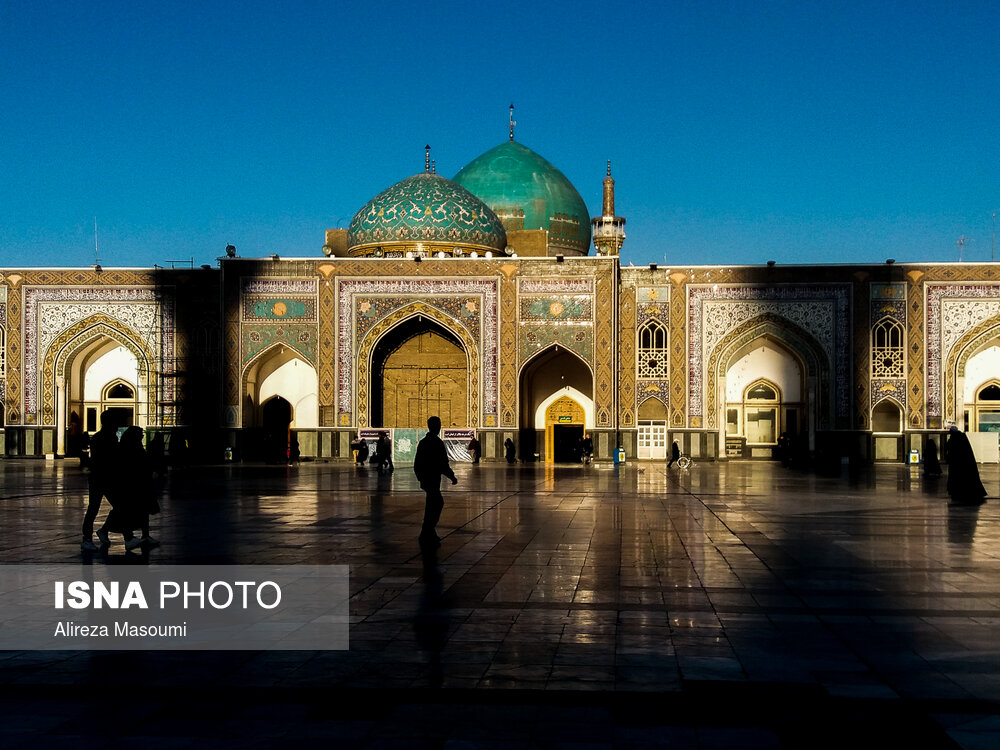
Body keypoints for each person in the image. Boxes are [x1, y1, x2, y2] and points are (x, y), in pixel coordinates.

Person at [102, 426, 159, 549]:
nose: (142, 437)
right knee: (126, 511)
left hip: (140, 484)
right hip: (132, 486)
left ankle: (143, 535)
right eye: (140, 435)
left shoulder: (135, 447)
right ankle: (124, 536)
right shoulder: (128, 450)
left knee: (141, 510)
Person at [414, 416, 457, 547]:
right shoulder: (437, 443)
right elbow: (442, 463)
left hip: (426, 479)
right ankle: (427, 531)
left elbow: (417, 463)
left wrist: (421, 478)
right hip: (432, 479)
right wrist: (452, 476)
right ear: (437, 426)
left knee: (431, 504)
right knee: (436, 503)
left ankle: (428, 532)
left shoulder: (423, 442)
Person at [81, 410, 120, 551]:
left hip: (103, 477)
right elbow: (105, 460)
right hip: (101, 478)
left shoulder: (107, 437)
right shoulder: (103, 438)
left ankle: (102, 531)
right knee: (93, 508)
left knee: (118, 506)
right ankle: (87, 538)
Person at [945, 425, 987, 505]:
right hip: (966, 464)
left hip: (956, 464)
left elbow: (949, 449)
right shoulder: (963, 438)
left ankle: (957, 492)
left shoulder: (953, 439)